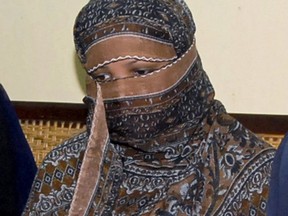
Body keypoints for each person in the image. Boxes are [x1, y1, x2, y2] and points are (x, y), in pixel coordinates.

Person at [22, 0, 276, 215]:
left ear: (186, 67)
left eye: (142, 72)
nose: (122, 93)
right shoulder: (66, 166)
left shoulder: (255, 173)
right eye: (103, 78)